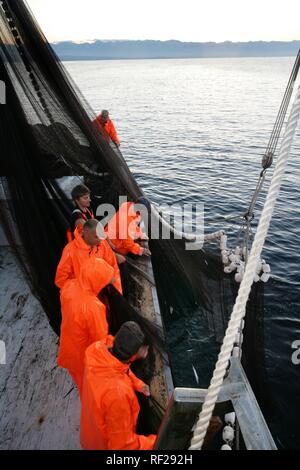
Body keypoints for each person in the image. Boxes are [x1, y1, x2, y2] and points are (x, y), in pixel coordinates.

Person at [80, 321, 157, 450]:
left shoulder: (96, 350)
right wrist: (156, 442)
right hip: (101, 445)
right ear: (134, 355)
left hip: (89, 432)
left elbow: (118, 367)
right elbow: (124, 447)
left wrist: (138, 384)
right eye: (144, 348)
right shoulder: (118, 395)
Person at [57, 257, 115, 395]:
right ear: (97, 282)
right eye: (104, 281)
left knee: (80, 382)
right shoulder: (93, 308)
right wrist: (116, 342)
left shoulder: (69, 286)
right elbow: (100, 341)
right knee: (89, 390)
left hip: (68, 351)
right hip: (83, 359)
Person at [55, 219, 122, 293]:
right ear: (85, 232)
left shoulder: (102, 244)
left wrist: (116, 293)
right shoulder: (70, 250)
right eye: (96, 237)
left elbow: (114, 267)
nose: (100, 240)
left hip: (103, 293)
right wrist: (83, 291)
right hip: (83, 296)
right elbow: (60, 280)